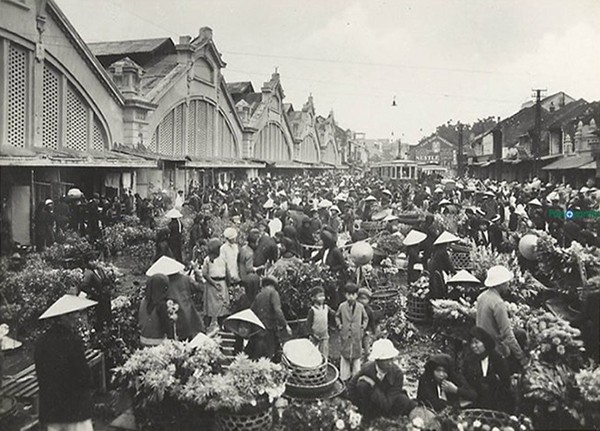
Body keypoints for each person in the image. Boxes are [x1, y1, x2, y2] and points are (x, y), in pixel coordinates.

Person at [35, 295, 98, 431]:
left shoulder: (41, 341)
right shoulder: (72, 341)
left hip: (51, 408)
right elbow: (83, 375)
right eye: (73, 314)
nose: (77, 317)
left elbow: (40, 374)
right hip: (74, 409)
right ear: (62, 318)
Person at [347, 339, 417, 420]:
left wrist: (373, 386)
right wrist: (351, 404)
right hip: (369, 404)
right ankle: (366, 416)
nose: (390, 363)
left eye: (391, 359)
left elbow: (387, 404)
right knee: (362, 385)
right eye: (386, 360)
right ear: (377, 360)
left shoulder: (397, 374)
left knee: (403, 400)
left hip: (387, 405)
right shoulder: (367, 368)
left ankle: (389, 420)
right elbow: (351, 386)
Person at [476, 265, 527, 373]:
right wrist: (522, 357)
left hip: (481, 339)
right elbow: (507, 335)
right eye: (506, 283)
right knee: (517, 342)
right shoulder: (498, 303)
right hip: (494, 347)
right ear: (500, 284)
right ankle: (512, 373)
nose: (508, 286)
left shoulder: (482, 296)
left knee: (520, 333)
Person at [148, 256, 204, 340]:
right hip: (188, 314)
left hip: (173, 317)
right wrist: (197, 274)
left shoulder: (162, 284)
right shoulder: (185, 279)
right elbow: (201, 288)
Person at [461, 326, 513, 413]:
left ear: (485, 342)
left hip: (497, 400)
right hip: (477, 399)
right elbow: (466, 379)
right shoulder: (469, 359)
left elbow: (506, 381)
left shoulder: (496, 358)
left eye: (476, 342)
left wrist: (492, 380)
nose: (473, 346)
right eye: (471, 343)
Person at [248, 276, 291, 361]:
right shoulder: (273, 293)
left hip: (258, 329)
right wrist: (285, 325)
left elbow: (252, 310)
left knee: (257, 355)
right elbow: (277, 310)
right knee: (269, 354)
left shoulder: (259, 295)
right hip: (269, 328)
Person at [336, 282, 369, 382]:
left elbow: (365, 318)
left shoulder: (360, 307)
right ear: (345, 295)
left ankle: (356, 377)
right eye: (348, 294)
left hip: (356, 335)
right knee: (345, 356)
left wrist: (362, 327)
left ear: (356, 295)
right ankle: (344, 377)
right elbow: (337, 316)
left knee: (356, 357)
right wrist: (340, 325)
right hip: (345, 334)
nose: (351, 297)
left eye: (353, 294)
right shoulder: (342, 306)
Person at [202, 238, 231, 330]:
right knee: (209, 309)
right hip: (211, 284)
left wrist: (228, 285)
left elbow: (227, 273)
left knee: (223, 307)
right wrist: (213, 283)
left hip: (221, 284)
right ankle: (205, 326)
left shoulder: (223, 258)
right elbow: (205, 273)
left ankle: (223, 326)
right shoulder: (207, 260)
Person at [79, 257, 112, 333]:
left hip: (105, 296)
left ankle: (109, 330)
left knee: (108, 314)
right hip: (98, 298)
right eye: (91, 261)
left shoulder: (99, 269)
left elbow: (106, 280)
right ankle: (100, 332)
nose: (94, 262)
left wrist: (108, 286)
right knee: (100, 315)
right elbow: (84, 286)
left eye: (95, 260)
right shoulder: (88, 273)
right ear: (87, 262)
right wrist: (94, 292)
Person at [138, 274, 170, 346]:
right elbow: (166, 326)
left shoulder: (144, 301)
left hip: (143, 339)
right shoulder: (161, 305)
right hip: (157, 343)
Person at [306, 286, 335, 359]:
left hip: (324, 335)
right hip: (314, 336)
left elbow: (335, 314)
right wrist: (312, 334)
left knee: (324, 354)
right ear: (313, 298)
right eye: (319, 296)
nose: (322, 298)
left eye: (323, 296)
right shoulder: (312, 310)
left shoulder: (326, 307)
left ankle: (324, 368)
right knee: (313, 354)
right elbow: (308, 324)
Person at [428, 231, 457, 299]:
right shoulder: (443, 252)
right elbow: (448, 263)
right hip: (439, 270)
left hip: (434, 270)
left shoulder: (436, 250)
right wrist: (454, 272)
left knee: (435, 287)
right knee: (440, 287)